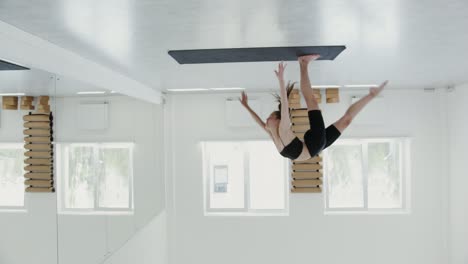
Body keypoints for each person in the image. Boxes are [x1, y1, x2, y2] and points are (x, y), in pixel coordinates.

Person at [240, 54, 388, 161]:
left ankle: (303, 63)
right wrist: (281, 80)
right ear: (278, 120)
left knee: (327, 111)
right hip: (314, 145)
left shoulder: (274, 134)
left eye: (269, 117)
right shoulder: (283, 128)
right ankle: (371, 96)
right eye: (271, 117)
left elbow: (258, 122)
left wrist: (246, 106)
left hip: (312, 145)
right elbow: (284, 106)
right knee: (343, 119)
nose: (267, 119)